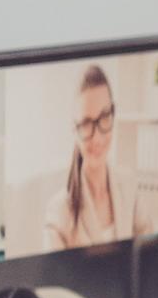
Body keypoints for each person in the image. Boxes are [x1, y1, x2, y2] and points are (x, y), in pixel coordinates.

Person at [44, 64, 147, 248]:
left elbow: (152, 255)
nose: (97, 138)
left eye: (104, 117)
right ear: (74, 130)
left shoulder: (130, 187)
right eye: (86, 124)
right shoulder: (58, 213)